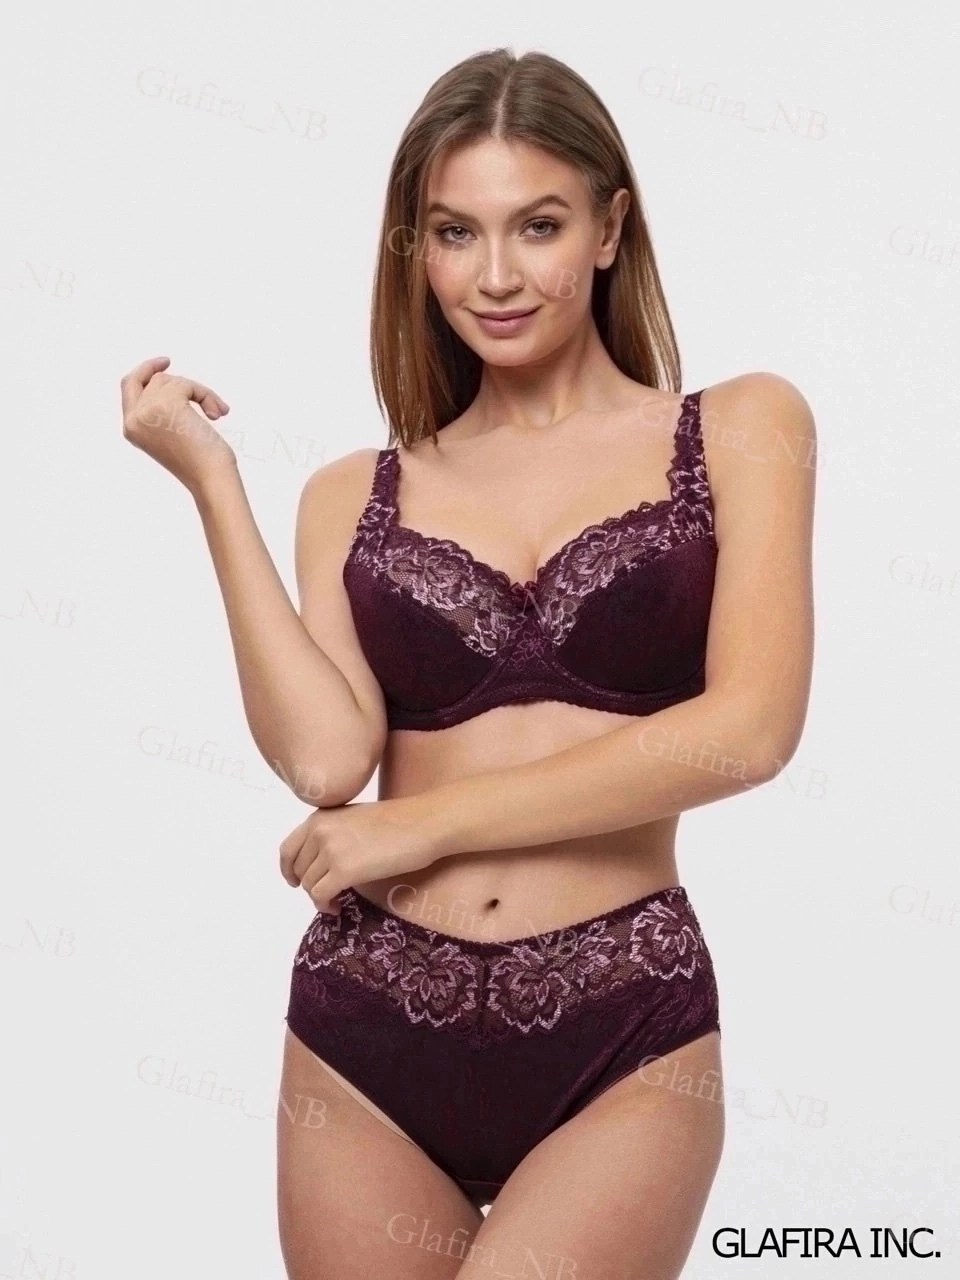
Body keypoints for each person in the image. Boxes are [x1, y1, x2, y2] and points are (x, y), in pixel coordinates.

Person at [120, 45, 815, 1280]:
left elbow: (749, 729)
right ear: (416, 249)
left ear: (610, 228)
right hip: (366, 1030)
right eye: (454, 232)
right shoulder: (355, 493)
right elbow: (327, 760)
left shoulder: (742, 426)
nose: (494, 276)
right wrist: (214, 486)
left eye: (538, 225)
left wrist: (422, 825)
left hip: (622, 1023)